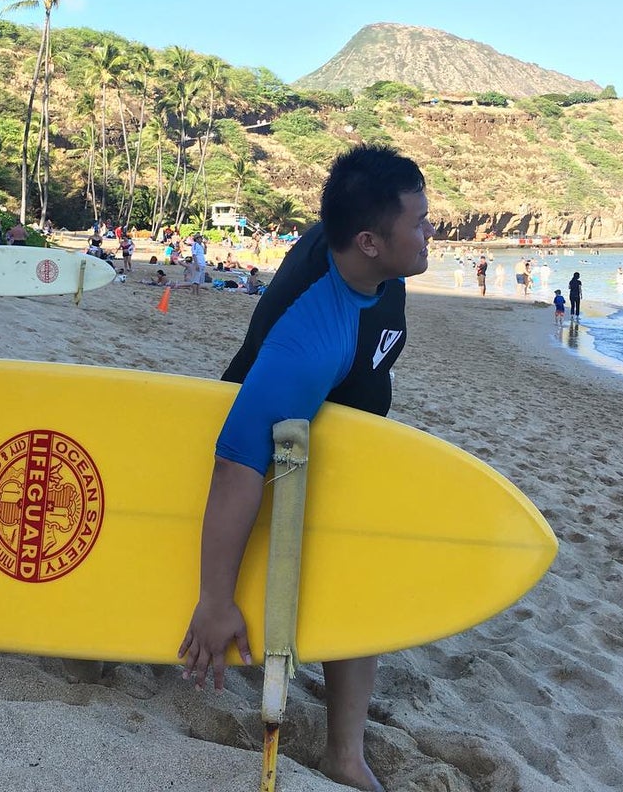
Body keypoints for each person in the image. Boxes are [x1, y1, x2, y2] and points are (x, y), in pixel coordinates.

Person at [178, 143, 433, 792]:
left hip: (347, 423)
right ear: (371, 242)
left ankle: (345, 753)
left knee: (361, 569)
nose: (432, 232)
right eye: (420, 224)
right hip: (286, 421)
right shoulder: (310, 337)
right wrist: (214, 601)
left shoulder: (362, 249)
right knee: (358, 572)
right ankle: (344, 758)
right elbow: (237, 465)